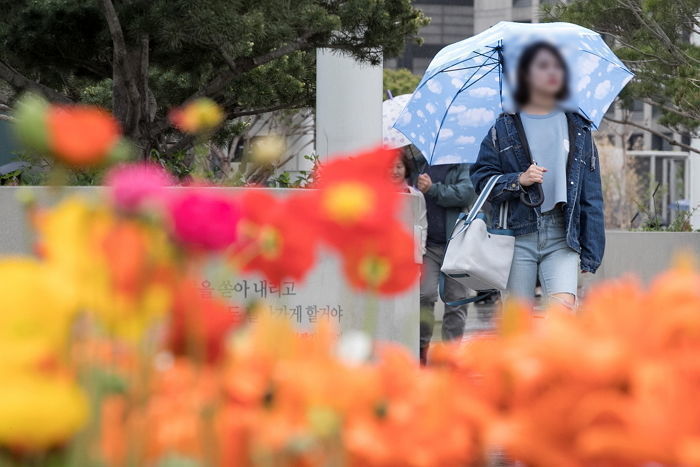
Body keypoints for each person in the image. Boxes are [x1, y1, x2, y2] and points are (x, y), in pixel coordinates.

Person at [470, 41, 605, 308]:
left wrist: (592, 250)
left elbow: (592, 193)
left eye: (558, 66)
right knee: (518, 326)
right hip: (517, 235)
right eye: (543, 66)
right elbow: (481, 179)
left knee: (563, 315)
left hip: (562, 234)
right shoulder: (503, 127)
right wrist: (518, 180)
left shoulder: (578, 127)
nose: (553, 71)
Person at [413, 155, 475, 365]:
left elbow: (466, 194)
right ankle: (421, 347)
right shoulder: (420, 164)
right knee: (424, 296)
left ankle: (451, 355)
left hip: (455, 244)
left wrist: (433, 189)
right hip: (427, 245)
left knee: (456, 301)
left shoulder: (461, 165)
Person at [391, 149, 427, 262]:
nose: (395, 171)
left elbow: (422, 224)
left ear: (405, 168)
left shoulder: (416, 195)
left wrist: (419, 251)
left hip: (410, 255)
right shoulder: (379, 195)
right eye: (390, 166)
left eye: (399, 166)